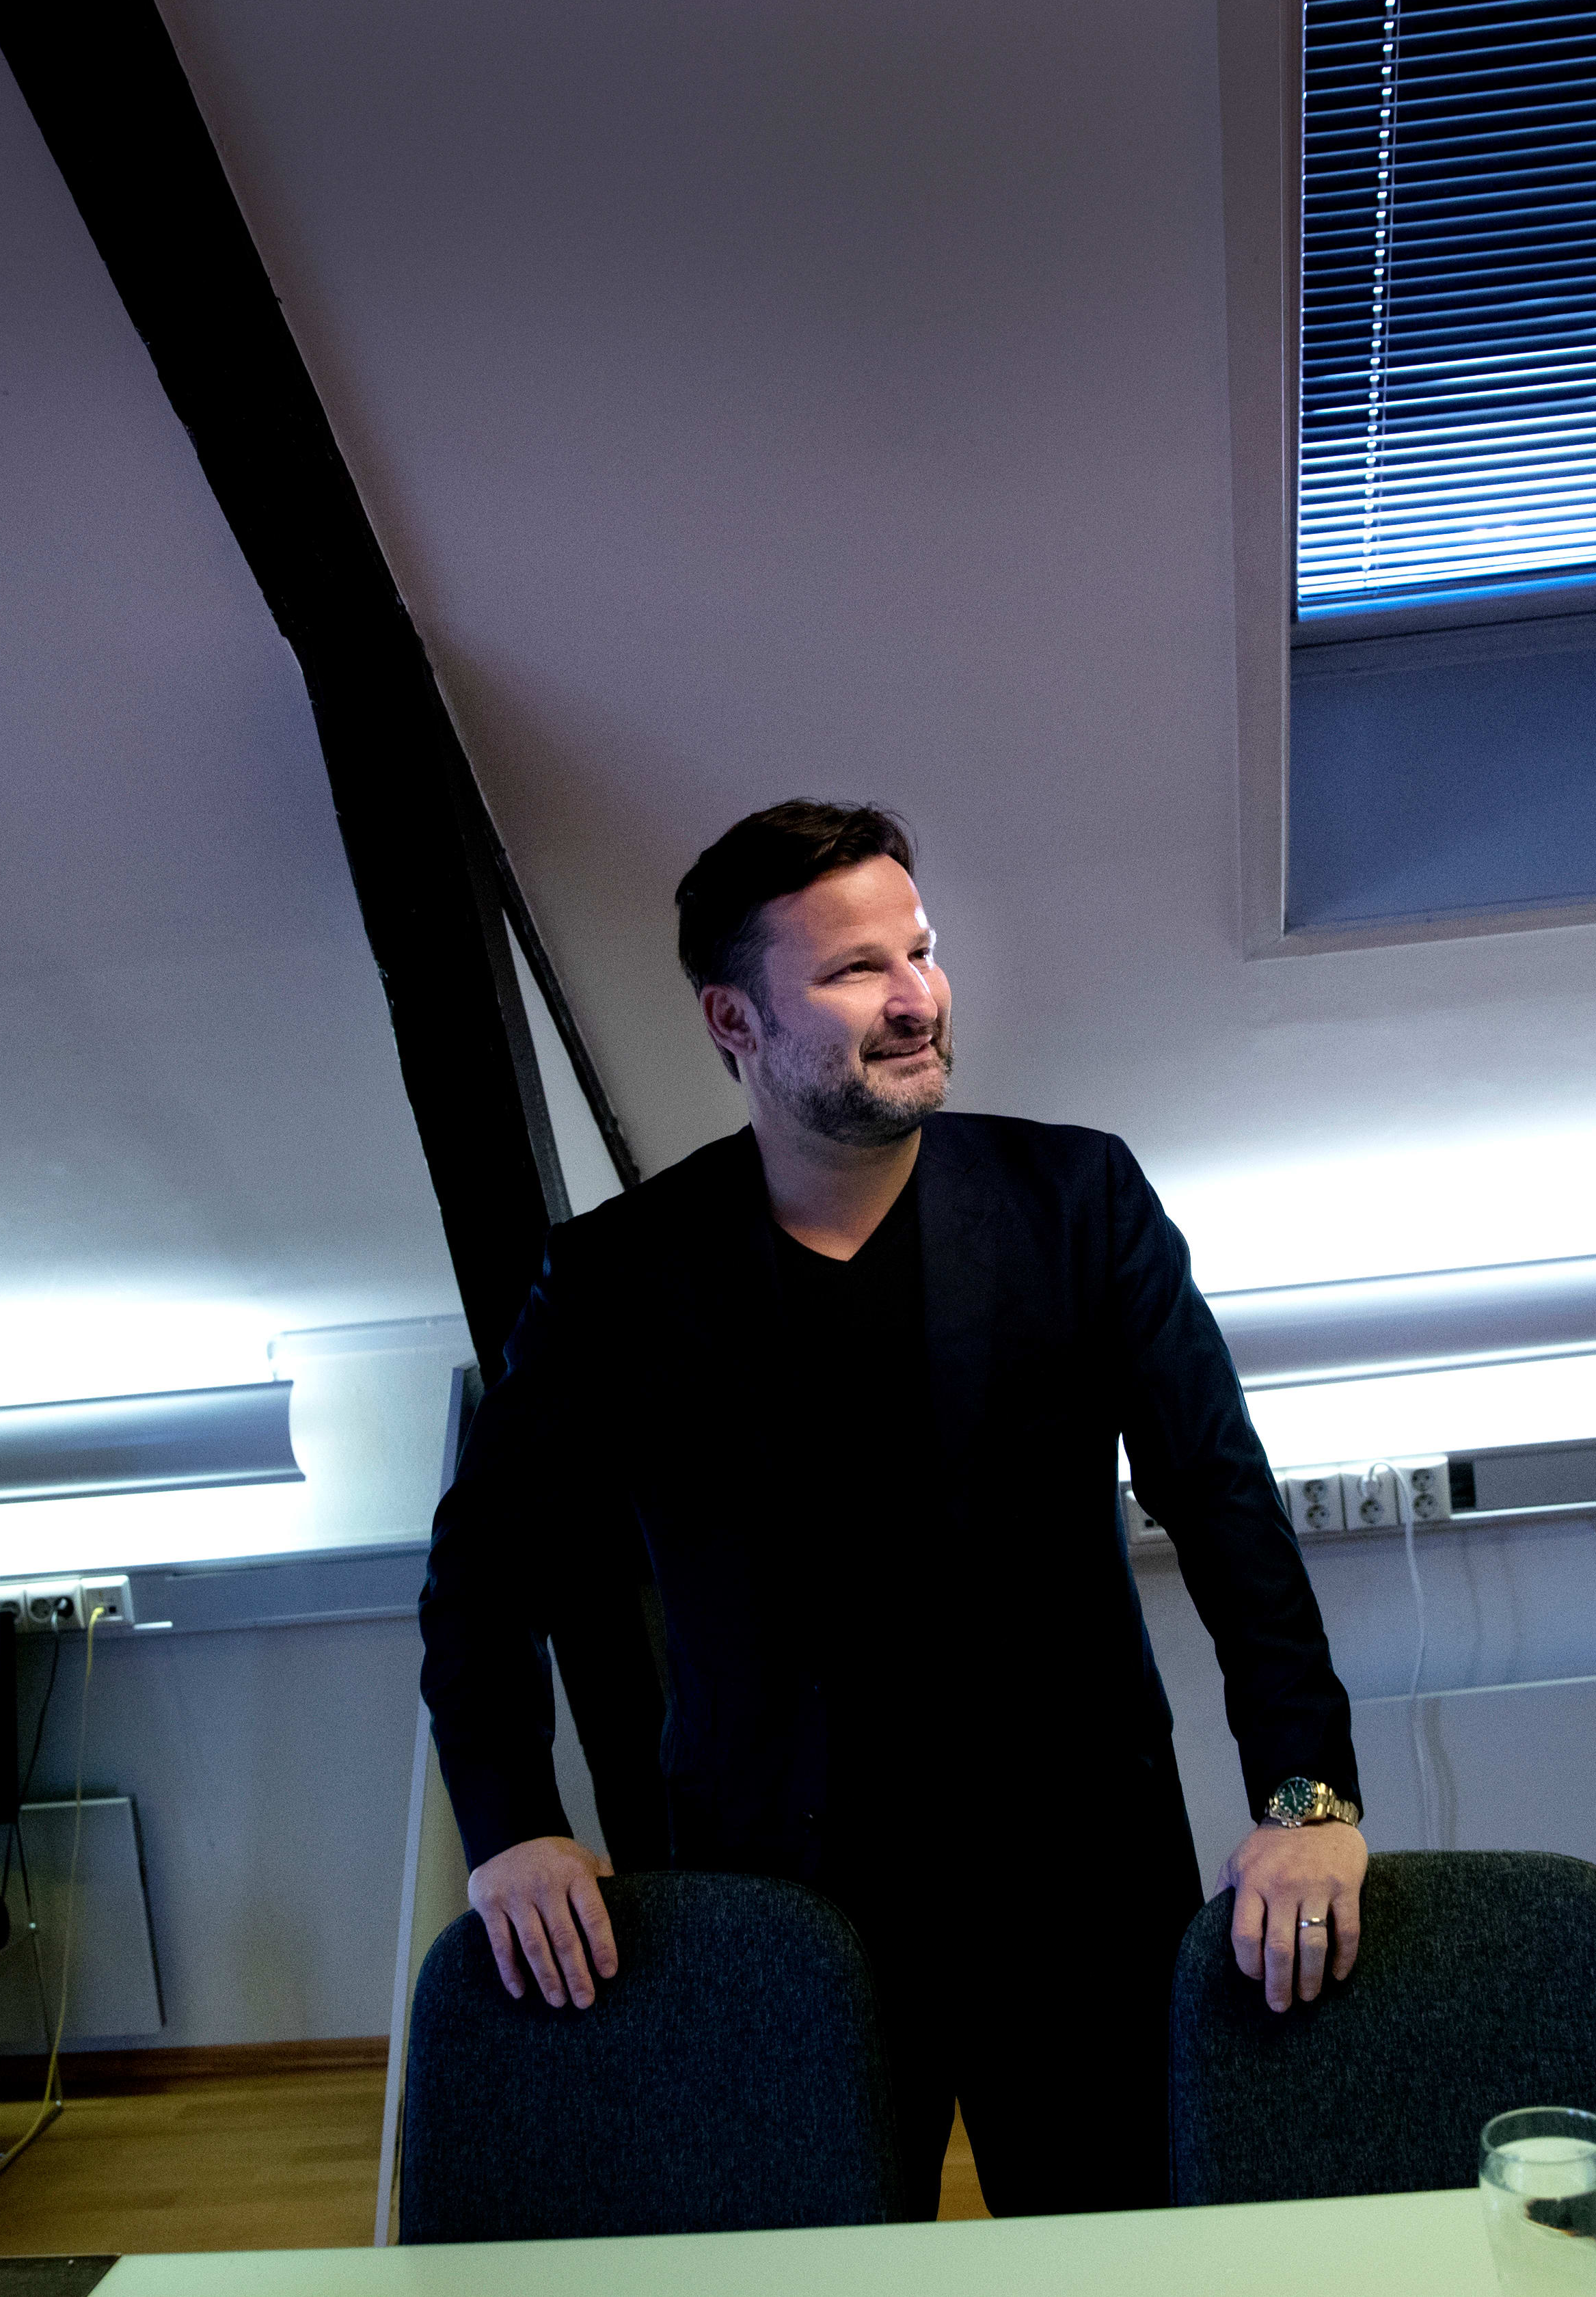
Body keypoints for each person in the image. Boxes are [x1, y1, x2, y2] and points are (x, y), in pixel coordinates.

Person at [416, 800, 1367, 2218]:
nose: (917, 997)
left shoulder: (1080, 1200)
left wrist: (1308, 1798)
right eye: (856, 969)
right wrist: (510, 1827)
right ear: (734, 1020)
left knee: (1120, 2257)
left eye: (919, 950)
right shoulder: (618, 1277)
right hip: (779, 1902)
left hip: (1077, 1881)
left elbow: (1230, 1517)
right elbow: (482, 1575)